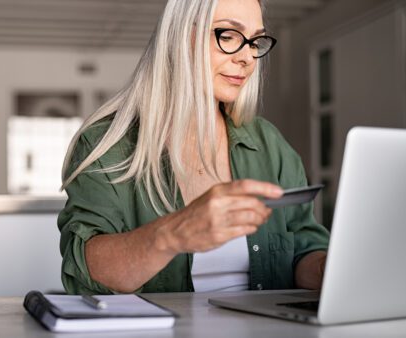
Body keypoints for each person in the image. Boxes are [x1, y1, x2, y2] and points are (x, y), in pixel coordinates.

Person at [58, 0, 330, 295]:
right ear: (179, 37)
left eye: (255, 41)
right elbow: (86, 272)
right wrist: (174, 233)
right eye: (228, 36)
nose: (248, 57)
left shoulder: (269, 144)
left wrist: (329, 270)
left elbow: (304, 249)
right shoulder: (106, 145)